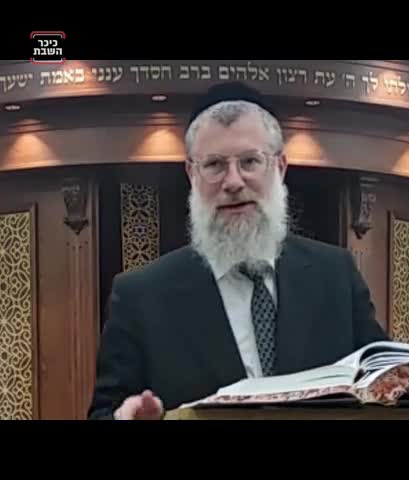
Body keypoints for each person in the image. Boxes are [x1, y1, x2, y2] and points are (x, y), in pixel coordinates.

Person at [87, 82, 388, 420]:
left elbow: (386, 386)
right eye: (214, 165)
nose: (233, 182)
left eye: (249, 161)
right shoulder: (140, 296)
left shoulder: (336, 275)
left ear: (280, 167)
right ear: (192, 173)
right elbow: (105, 411)